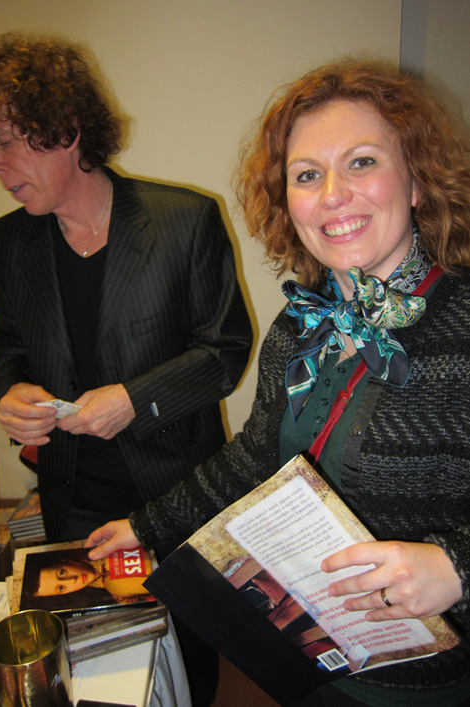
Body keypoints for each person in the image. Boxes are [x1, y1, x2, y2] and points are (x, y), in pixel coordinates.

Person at [86, 58, 470, 706]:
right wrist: (148, 525)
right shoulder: (299, 327)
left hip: (430, 683)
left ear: (415, 181)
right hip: (313, 658)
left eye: (362, 162)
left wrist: (456, 567)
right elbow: (257, 454)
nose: (332, 194)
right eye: (307, 174)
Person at [0, 33, 252, 707]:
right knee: (100, 668)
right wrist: (12, 389)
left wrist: (134, 398)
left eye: (5, 141)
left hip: (177, 490)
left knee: (190, 652)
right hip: (74, 498)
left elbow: (224, 351)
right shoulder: (1, 244)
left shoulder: (183, 221)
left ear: (67, 129)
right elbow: (6, 345)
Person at [22, 549, 152, 610]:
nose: (72, 580)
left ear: (65, 561)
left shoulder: (106, 550)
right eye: (61, 588)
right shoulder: (114, 593)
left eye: (62, 573)